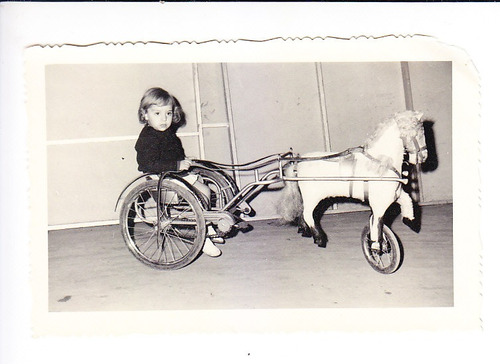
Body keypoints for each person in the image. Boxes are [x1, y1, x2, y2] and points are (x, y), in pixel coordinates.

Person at [135, 87, 223, 257]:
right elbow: (148, 163)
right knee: (197, 194)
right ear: (145, 114)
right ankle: (201, 235)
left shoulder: (169, 135)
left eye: (168, 113)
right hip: (160, 178)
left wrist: (184, 161)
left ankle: (206, 224)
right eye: (157, 113)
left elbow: (176, 153)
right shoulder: (148, 138)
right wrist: (176, 165)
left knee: (205, 189)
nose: (164, 119)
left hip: (173, 175)